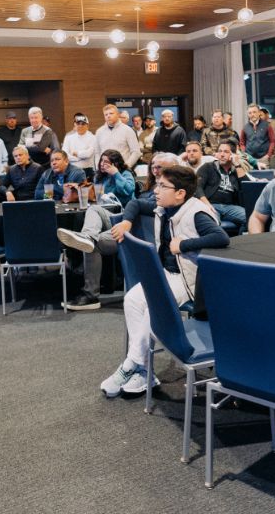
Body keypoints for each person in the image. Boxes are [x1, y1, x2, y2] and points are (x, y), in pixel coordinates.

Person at [96, 165, 228, 395]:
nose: (156, 190)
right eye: (157, 185)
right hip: (167, 273)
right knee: (132, 300)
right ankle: (144, 371)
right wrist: (127, 221)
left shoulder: (196, 212)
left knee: (152, 309)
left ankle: (129, 366)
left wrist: (184, 245)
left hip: (189, 280)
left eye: (163, 186)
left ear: (180, 193)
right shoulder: (163, 208)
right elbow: (135, 203)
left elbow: (221, 237)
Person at [55, 150, 137, 311]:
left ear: (116, 163)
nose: (103, 165)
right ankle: (86, 236)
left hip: (123, 218)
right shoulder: (100, 177)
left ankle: (90, 295)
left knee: (91, 244)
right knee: (93, 211)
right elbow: (96, 198)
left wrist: (116, 174)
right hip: (106, 216)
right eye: (102, 161)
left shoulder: (125, 174)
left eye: (107, 162)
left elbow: (128, 191)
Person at [198, 140, 247, 233]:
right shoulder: (208, 167)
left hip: (230, 207)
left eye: (226, 152)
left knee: (250, 218)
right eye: (220, 151)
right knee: (211, 223)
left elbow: (247, 188)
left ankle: (239, 242)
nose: (222, 154)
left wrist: (237, 165)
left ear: (232, 155)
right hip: (211, 205)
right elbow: (197, 187)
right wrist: (206, 204)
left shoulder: (237, 170)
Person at [95, 104, 141, 168]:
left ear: (118, 115)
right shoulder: (99, 132)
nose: (108, 116)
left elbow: (136, 152)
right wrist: (98, 168)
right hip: (104, 171)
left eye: (111, 113)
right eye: (106, 114)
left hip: (122, 170)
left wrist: (126, 166)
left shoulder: (128, 130)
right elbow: (97, 153)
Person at [62, 113, 98, 180]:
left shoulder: (93, 138)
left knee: (87, 190)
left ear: (87, 126)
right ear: (75, 125)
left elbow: (88, 154)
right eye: (78, 124)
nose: (80, 126)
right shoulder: (68, 138)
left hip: (88, 170)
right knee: (71, 190)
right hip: (72, 169)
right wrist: (79, 158)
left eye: (83, 124)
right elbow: (64, 155)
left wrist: (76, 153)